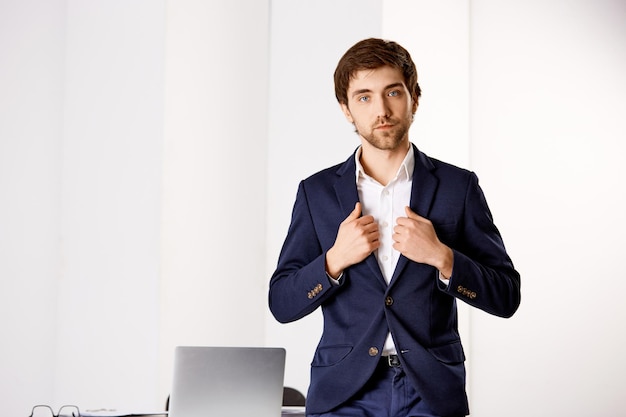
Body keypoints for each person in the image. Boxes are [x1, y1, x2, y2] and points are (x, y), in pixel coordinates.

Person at [268, 38, 521, 417]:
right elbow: (281, 303)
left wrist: (442, 257)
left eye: (393, 93)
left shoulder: (458, 187)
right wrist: (334, 261)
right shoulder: (316, 192)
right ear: (346, 109)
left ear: (414, 98)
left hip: (431, 393)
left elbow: (506, 296)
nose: (382, 110)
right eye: (364, 97)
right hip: (343, 395)